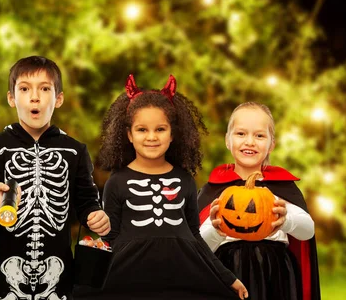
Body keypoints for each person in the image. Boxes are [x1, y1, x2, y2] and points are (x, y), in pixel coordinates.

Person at [86, 74, 247, 300]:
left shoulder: (185, 180)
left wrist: (228, 277)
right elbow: (109, 238)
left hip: (183, 277)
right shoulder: (117, 181)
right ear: (129, 135)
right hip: (128, 279)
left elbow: (195, 236)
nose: (151, 137)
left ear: (173, 135)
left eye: (160, 129)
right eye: (142, 130)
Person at [0, 56, 110, 300]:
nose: (34, 97)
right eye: (24, 89)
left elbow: (86, 201)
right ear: (11, 98)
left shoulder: (75, 150)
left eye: (45, 89)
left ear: (58, 99)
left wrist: (95, 215)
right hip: (5, 281)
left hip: (59, 279)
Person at [198, 102, 320, 300]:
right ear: (227, 141)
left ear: (272, 144)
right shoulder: (215, 190)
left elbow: (308, 231)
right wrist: (215, 230)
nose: (250, 142)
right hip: (226, 271)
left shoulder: (282, 188)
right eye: (241, 134)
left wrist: (286, 220)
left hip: (275, 272)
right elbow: (197, 248)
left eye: (259, 135)